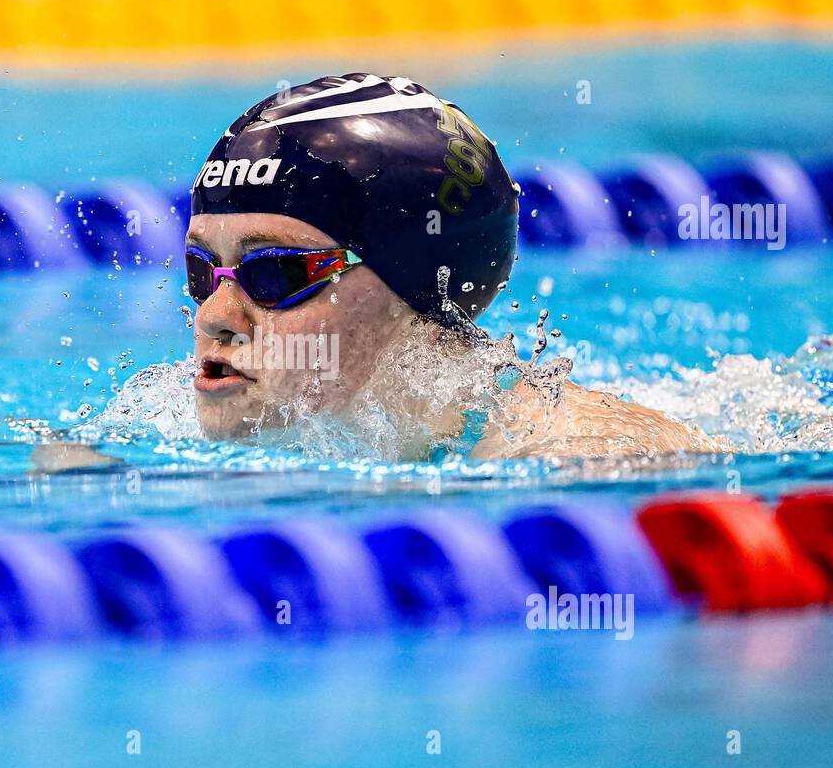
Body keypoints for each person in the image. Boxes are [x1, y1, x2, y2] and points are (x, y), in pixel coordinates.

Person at [35, 72, 722, 471]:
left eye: (276, 272)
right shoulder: (146, 444)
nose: (215, 316)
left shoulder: (579, 464)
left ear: (422, 295)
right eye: (200, 271)